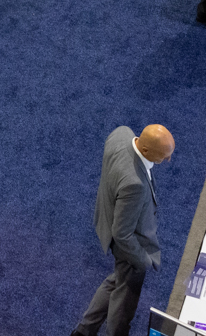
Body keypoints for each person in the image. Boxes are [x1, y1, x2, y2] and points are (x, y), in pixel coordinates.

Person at [72, 124, 172, 336]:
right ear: (144, 150)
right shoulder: (134, 184)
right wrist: (142, 260)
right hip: (130, 247)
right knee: (125, 301)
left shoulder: (121, 133)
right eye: (163, 156)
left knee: (117, 280)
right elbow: (123, 234)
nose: (167, 160)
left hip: (107, 215)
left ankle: (84, 331)